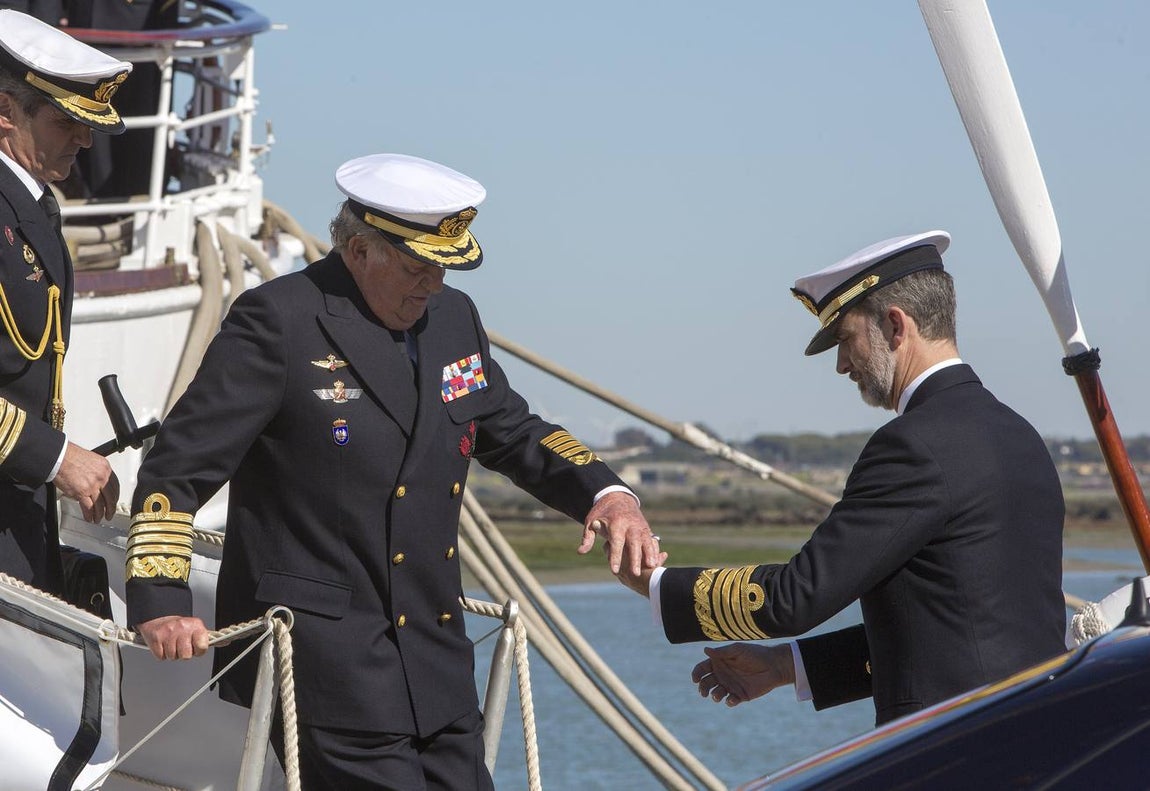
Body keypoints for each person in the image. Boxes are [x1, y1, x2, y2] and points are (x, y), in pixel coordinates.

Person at [124, 152, 663, 789]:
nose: (433, 284)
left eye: (444, 266)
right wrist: (161, 599)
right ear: (359, 250)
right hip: (324, 661)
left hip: (435, 661)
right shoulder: (280, 320)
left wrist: (607, 493)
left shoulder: (453, 320)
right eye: (417, 266)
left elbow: (513, 430)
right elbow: (178, 468)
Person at [617, 230, 1066, 725]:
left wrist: (655, 585)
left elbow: (794, 597)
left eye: (846, 338)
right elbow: (961, 627)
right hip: (1036, 730)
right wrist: (786, 666)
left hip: (950, 744)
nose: (841, 364)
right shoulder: (1021, 438)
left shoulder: (913, 446)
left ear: (895, 325)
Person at [0, 9, 126, 592]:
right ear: (5, 112)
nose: (85, 138)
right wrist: (55, 459)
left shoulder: (33, 207)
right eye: (65, 121)